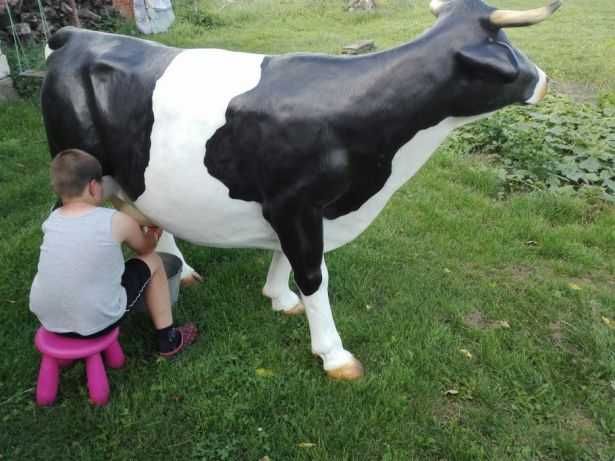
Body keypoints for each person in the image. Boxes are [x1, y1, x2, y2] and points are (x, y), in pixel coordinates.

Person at [30, 149, 197, 358]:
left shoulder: (51, 221)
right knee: (153, 261)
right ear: (93, 187)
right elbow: (145, 249)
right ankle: (169, 339)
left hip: (47, 316)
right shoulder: (115, 220)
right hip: (96, 319)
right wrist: (155, 232)